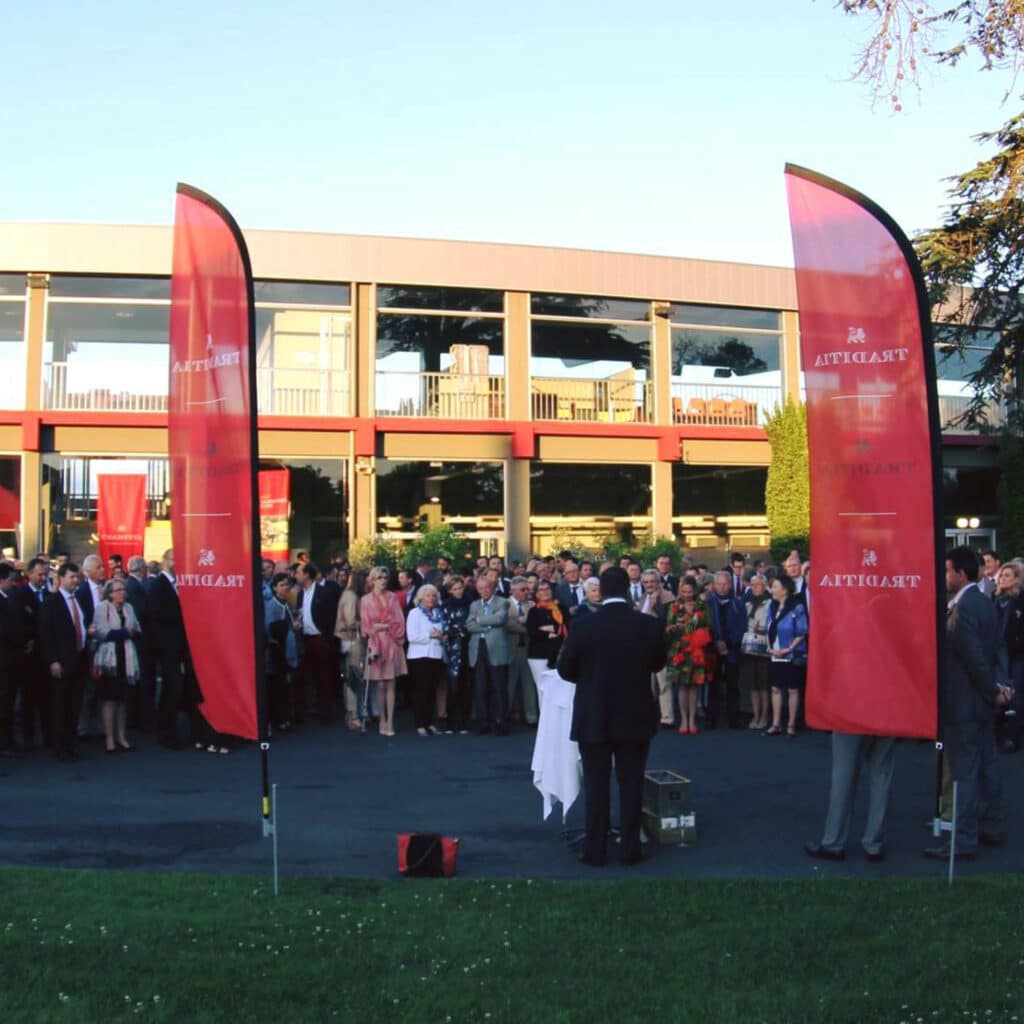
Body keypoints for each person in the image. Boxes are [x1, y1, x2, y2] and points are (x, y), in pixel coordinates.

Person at [557, 567, 667, 867]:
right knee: (631, 784)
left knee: (596, 784)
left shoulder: (582, 626)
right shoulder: (648, 626)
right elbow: (658, 664)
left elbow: (566, 669)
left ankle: (596, 850)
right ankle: (630, 848)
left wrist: (591, 676)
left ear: (601, 591)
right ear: (628, 591)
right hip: (635, 714)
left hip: (595, 713)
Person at [925, 547, 1013, 860]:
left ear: (960, 574)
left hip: (964, 704)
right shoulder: (985, 603)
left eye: (947, 570)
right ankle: (992, 824)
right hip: (982, 704)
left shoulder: (961, 611)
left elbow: (974, 659)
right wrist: (1002, 686)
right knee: (987, 765)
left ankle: (963, 839)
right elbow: (998, 648)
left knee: (964, 771)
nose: (944, 576)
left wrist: (993, 688)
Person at [804, 729, 897, 863]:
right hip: (888, 716)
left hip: (851, 715)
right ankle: (874, 843)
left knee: (843, 775)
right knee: (881, 776)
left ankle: (834, 842)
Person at [39, 563, 90, 761]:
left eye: (77, 577)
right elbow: (46, 634)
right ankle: (60, 747)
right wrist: (53, 661)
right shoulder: (51, 603)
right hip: (62, 661)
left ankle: (71, 744)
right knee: (60, 706)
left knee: (74, 705)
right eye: (71, 577)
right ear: (60, 578)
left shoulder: (78, 601)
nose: (75, 581)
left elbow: (81, 626)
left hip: (79, 660)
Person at [91, 579, 141, 753]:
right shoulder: (102, 608)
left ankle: (121, 736)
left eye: (123, 590)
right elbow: (101, 632)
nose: (122, 593)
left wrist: (123, 632)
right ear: (110, 593)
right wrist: (123, 632)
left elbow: (135, 628)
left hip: (126, 656)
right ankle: (109, 738)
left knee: (123, 700)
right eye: (118, 590)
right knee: (110, 699)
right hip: (109, 659)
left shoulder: (129, 608)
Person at [146, 549, 188, 750]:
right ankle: (166, 732)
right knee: (172, 688)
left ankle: (170, 730)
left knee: (176, 689)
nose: (175, 563)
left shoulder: (179, 584)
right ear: (164, 561)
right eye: (172, 559)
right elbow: (154, 614)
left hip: (179, 645)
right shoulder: (158, 585)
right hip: (166, 646)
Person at [359, 567, 406, 736]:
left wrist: (382, 625)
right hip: (376, 643)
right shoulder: (365, 600)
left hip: (392, 642)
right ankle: (382, 719)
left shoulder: (393, 597)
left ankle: (391, 721)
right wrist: (377, 627)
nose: (383, 580)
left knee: (391, 682)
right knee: (379, 683)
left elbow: (399, 621)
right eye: (379, 577)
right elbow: (365, 626)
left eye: (385, 577)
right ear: (372, 580)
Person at [665, 576, 714, 735]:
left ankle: (692, 720)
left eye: (690, 592)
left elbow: (708, 624)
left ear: (695, 591)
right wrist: (674, 626)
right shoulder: (674, 605)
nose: (687, 594)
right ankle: (684, 720)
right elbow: (667, 627)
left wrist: (693, 624)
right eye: (684, 591)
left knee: (694, 686)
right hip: (679, 649)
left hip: (696, 650)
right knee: (681, 686)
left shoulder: (702, 606)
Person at [763, 575, 808, 737]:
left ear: (784, 589)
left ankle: (791, 724)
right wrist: (769, 647)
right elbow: (767, 626)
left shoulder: (797, 606)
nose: (772, 590)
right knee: (775, 688)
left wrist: (788, 648)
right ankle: (775, 723)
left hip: (791, 653)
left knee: (792, 689)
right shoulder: (772, 606)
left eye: (775, 587)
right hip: (775, 652)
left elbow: (802, 631)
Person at [467, 575, 511, 735]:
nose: (484, 591)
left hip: (497, 650)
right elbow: (470, 625)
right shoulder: (474, 604)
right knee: (480, 687)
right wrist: (486, 626)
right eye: (480, 589)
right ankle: (483, 722)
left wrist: (481, 620)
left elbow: (500, 619)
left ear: (492, 587)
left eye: (486, 587)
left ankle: (501, 722)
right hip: (479, 648)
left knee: (499, 687)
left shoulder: (502, 602)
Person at [706, 570, 747, 729]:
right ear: (714, 585)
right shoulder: (708, 603)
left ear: (730, 585)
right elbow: (706, 625)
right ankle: (711, 719)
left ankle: (733, 719)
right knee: (713, 686)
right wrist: (716, 642)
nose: (722, 587)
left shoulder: (738, 604)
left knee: (732, 686)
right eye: (719, 584)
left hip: (732, 649)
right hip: (713, 649)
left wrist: (728, 644)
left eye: (725, 584)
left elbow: (742, 626)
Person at [406, 584, 447, 736]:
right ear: (421, 597)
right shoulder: (415, 613)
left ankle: (430, 722)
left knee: (432, 691)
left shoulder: (438, 613)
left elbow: (442, 632)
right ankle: (420, 723)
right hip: (420, 656)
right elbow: (412, 637)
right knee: (421, 691)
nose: (432, 598)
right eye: (428, 595)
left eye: (434, 596)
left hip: (436, 654)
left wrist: (442, 636)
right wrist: (431, 635)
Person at [992, 561, 1024, 752]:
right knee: (998, 692)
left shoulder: (1021, 601)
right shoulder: (994, 601)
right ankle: (998, 734)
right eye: (1002, 576)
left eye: (1007, 576)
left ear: (1016, 580)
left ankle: (1012, 736)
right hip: (998, 656)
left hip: (1017, 655)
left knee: (1016, 695)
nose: (1003, 579)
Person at [265, 572, 298, 733]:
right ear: (274, 588)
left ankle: (283, 718)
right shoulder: (272, 605)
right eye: (282, 585)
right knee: (276, 688)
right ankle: (277, 719)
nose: (286, 587)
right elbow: (270, 630)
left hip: (286, 651)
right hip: (276, 654)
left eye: (287, 584)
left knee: (284, 688)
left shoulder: (286, 604)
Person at [334, 569, 366, 731]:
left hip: (348, 640)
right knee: (353, 678)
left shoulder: (347, 595)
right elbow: (351, 621)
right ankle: (352, 715)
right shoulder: (351, 596)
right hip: (353, 640)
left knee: (351, 678)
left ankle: (353, 714)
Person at [739, 575, 772, 729]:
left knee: (764, 685)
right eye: (752, 585)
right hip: (749, 648)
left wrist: (763, 630)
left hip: (764, 648)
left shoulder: (770, 603)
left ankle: (765, 716)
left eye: (758, 584)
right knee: (753, 685)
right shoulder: (747, 603)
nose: (755, 587)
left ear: (764, 585)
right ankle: (756, 714)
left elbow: (773, 624)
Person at [441, 575, 473, 733]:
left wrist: (460, 630)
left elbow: (473, 624)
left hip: (468, 647)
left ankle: (464, 722)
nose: (459, 591)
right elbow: (445, 627)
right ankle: (451, 722)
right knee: (453, 685)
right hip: (452, 650)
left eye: (461, 588)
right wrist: (459, 630)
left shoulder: (470, 603)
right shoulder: (445, 606)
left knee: (466, 685)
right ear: (449, 590)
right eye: (455, 589)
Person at [526, 580, 569, 691]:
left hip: (560, 654)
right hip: (539, 656)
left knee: (561, 690)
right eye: (541, 589)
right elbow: (532, 632)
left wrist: (552, 628)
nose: (545, 592)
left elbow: (567, 627)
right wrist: (549, 633)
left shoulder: (562, 609)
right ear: (536, 593)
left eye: (547, 589)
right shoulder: (534, 611)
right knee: (543, 690)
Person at [505, 576, 537, 727]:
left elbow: (535, 624)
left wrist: (525, 624)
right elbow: (508, 624)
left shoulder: (531, 604)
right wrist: (527, 627)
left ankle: (532, 717)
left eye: (527, 589)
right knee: (509, 685)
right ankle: (505, 716)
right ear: (513, 590)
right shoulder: (505, 604)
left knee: (529, 684)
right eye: (523, 589)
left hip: (528, 649)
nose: (527, 592)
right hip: (510, 649)